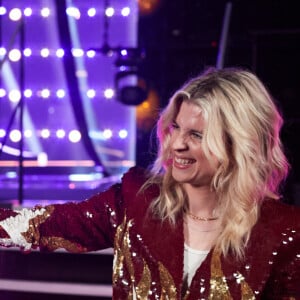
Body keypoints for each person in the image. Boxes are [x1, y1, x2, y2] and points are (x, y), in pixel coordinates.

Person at [0, 67, 299, 299]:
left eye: (196, 135)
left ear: (239, 144)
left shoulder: (284, 233)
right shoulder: (137, 199)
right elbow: (46, 224)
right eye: (175, 127)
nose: (176, 144)